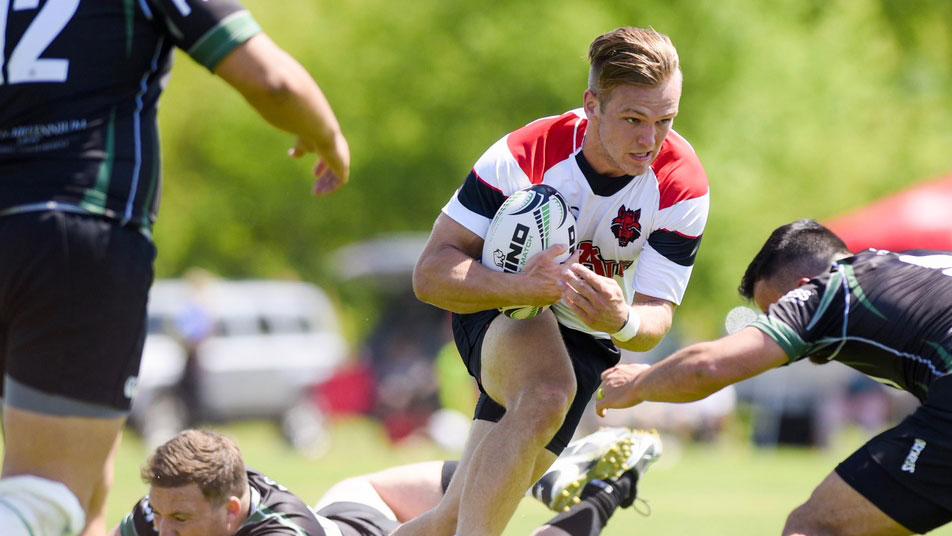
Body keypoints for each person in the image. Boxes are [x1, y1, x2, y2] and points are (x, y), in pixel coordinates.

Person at [0, 1, 350, 534]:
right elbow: (272, 81)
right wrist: (326, 134)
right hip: (76, 232)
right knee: (44, 498)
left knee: (92, 485)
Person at [405, 26, 709, 536]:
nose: (650, 139)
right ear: (591, 104)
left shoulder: (681, 183)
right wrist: (521, 289)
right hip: (502, 307)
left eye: (665, 120)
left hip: (587, 339)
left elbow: (655, 319)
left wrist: (623, 319)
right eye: (633, 119)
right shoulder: (525, 155)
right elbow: (431, 273)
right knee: (547, 391)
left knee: (451, 517)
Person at [597, 219, 952, 535]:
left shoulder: (832, 287)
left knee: (813, 527)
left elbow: (707, 367)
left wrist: (635, 384)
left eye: (774, 312)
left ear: (801, 286)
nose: (779, 327)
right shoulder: (917, 264)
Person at [107, 427, 662, 536]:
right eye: (161, 516)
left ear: (232, 510)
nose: (165, 530)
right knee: (478, 487)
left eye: (180, 521)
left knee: (480, 517)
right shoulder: (167, 506)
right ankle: (551, 473)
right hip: (356, 503)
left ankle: (606, 490)